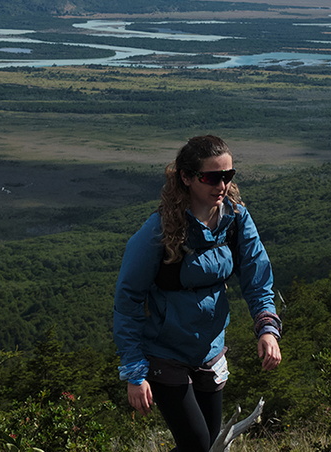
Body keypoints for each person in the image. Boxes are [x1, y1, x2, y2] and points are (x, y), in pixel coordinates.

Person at [114, 134, 282, 452]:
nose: (221, 185)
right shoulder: (158, 231)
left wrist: (267, 328)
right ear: (187, 177)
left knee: (206, 445)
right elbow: (127, 301)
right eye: (211, 177)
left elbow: (257, 277)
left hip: (210, 350)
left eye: (227, 176)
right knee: (197, 444)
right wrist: (135, 372)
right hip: (165, 351)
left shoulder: (236, 219)